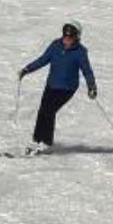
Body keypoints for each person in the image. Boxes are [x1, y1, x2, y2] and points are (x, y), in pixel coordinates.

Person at [18, 22, 96, 154]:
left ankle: (46, 143)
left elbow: (87, 71)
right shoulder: (55, 45)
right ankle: (36, 140)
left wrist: (92, 86)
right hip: (51, 84)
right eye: (65, 36)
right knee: (43, 111)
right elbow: (43, 59)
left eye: (70, 37)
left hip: (67, 88)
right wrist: (27, 69)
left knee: (49, 111)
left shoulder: (80, 52)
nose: (67, 40)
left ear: (77, 37)